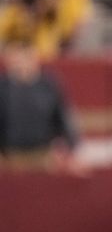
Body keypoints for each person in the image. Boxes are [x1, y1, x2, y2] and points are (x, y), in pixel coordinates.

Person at [0, 37, 81, 173]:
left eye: (26, 55)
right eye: (16, 56)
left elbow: (63, 119)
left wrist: (72, 150)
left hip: (43, 158)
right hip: (10, 160)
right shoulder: (2, 88)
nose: (21, 61)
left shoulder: (49, 85)